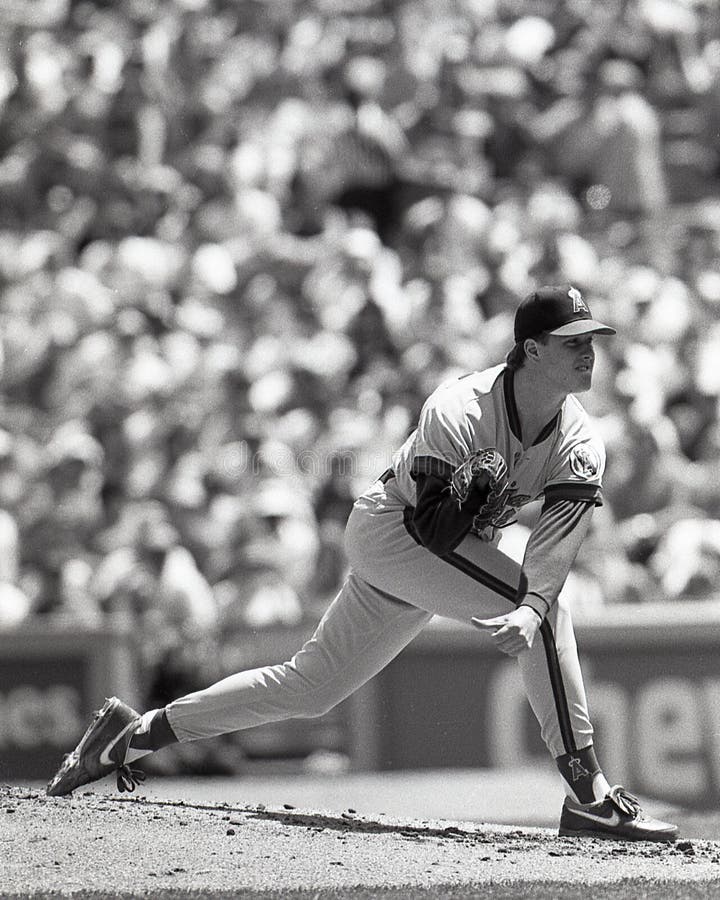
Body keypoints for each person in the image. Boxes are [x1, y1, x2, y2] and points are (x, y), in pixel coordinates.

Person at [46, 285, 677, 842]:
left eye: (592, 339)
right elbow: (432, 528)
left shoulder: (580, 436)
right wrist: (523, 590)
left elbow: (559, 539)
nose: (588, 351)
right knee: (543, 611)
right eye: (572, 342)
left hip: (435, 556)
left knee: (311, 687)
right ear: (532, 350)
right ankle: (590, 795)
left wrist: (531, 600)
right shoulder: (460, 408)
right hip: (393, 531)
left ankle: (133, 735)